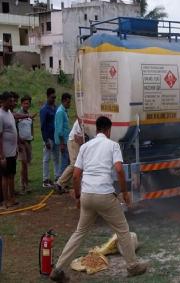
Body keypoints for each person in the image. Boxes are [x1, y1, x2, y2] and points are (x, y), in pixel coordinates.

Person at [50, 116, 147, 282]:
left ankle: (58, 269)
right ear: (108, 130)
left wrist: (79, 197)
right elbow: (119, 170)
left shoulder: (85, 147)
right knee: (123, 230)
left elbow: (75, 176)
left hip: (87, 194)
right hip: (104, 195)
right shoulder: (113, 145)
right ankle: (132, 266)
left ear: (96, 130)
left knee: (79, 233)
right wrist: (124, 192)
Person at [55, 118, 84, 193]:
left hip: (75, 141)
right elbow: (77, 137)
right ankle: (59, 183)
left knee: (79, 164)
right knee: (74, 164)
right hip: (73, 141)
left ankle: (74, 184)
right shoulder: (81, 119)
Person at [0, 91, 19, 208]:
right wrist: (1, 155)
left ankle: (12, 198)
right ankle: (5, 200)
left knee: (11, 175)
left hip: (12, 151)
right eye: (10, 101)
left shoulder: (9, 113)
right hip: (5, 153)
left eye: (13, 100)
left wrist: (16, 147)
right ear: (4, 101)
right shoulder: (1, 115)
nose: (12, 103)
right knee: (5, 176)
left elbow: (13, 132)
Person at [40, 88, 59, 187]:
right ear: (47, 96)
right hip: (48, 138)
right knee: (46, 159)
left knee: (56, 158)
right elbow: (43, 126)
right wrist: (45, 140)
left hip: (55, 137)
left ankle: (57, 177)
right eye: (52, 97)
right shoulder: (44, 109)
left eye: (55, 97)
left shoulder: (56, 107)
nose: (54, 99)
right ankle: (45, 180)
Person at [17, 95, 35, 193]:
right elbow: (15, 127)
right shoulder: (18, 114)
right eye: (25, 103)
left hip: (28, 142)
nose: (27, 105)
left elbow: (31, 127)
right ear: (21, 103)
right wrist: (19, 141)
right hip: (21, 142)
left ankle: (24, 184)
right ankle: (23, 185)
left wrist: (32, 136)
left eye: (28, 103)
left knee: (26, 164)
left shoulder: (29, 115)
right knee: (23, 163)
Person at [54, 93, 71, 180]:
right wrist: (62, 144)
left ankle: (63, 182)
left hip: (66, 141)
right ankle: (60, 182)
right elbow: (59, 130)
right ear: (63, 101)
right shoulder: (60, 112)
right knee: (64, 162)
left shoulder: (64, 111)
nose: (69, 104)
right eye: (68, 102)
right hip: (63, 142)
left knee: (67, 161)